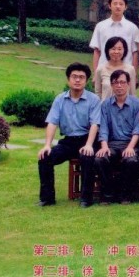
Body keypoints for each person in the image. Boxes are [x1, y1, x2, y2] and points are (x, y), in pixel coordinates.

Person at [37, 63, 101, 208]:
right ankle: (47, 198)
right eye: (74, 76)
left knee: (87, 157)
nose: (77, 80)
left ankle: (86, 199)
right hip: (68, 142)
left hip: (87, 140)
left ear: (86, 81)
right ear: (68, 79)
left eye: (81, 77)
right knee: (45, 157)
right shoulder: (60, 99)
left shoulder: (93, 99)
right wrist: (47, 145)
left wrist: (89, 145)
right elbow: (52, 122)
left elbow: (95, 124)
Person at [96, 69, 139, 205]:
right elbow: (103, 128)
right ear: (111, 85)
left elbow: (138, 129)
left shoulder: (138, 104)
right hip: (111, 144)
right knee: (100, 159)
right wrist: (104, 146)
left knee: (131, 160)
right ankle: (107, 194)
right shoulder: (105, 104)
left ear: (128, 84)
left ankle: (125, 194)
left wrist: (130, 147)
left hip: (131, 144)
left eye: (122, 82)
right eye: (115, 82)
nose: (119, 86)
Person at [89, 0, 138, 74]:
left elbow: (135, 53)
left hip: (125, 73)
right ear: (109, 5)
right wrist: (96, 73)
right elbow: (97, 51)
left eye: (121, 4)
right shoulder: (100, 26)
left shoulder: (132, 28)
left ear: (125, 7)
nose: (118, 6)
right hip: (104, 71)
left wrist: (134, 74)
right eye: (115, 3)